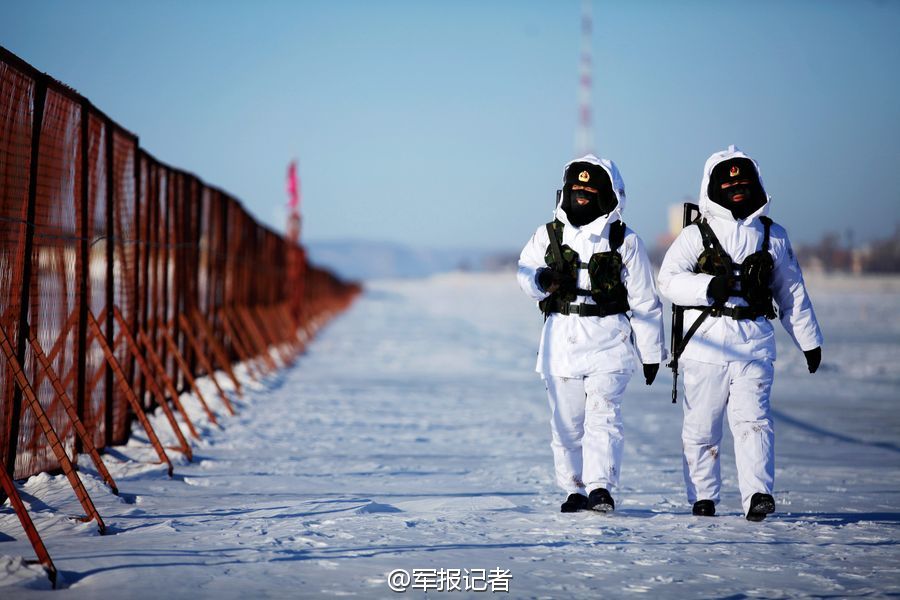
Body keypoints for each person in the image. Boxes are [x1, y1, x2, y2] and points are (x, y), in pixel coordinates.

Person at [658, 145, 823, 521]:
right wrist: (706, 288)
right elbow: (667, 281)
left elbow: (791, 291)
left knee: (755, 422)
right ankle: (703, 496)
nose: (736, 188)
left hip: (754, 344)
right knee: (702, 427)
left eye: (743, 181)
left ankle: (758, 495)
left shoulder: (773, 236)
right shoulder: (694, 236)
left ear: (757, 184)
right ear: (712, 187)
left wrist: (809, 341)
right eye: (728, 182)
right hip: (704, 346)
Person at [517, 155, 666, 513]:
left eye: (590, 189)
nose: (581, 195)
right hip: (561, 342)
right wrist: (541, 281)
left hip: (610, 340)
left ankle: (601, 487)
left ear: (609, 194)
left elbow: (646, 301)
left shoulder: (625, 241)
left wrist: (651, 353)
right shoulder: (547, 234)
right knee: (567, 424)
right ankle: (574, 488)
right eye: (576, 188)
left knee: (604, 416)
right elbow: (524, 273)